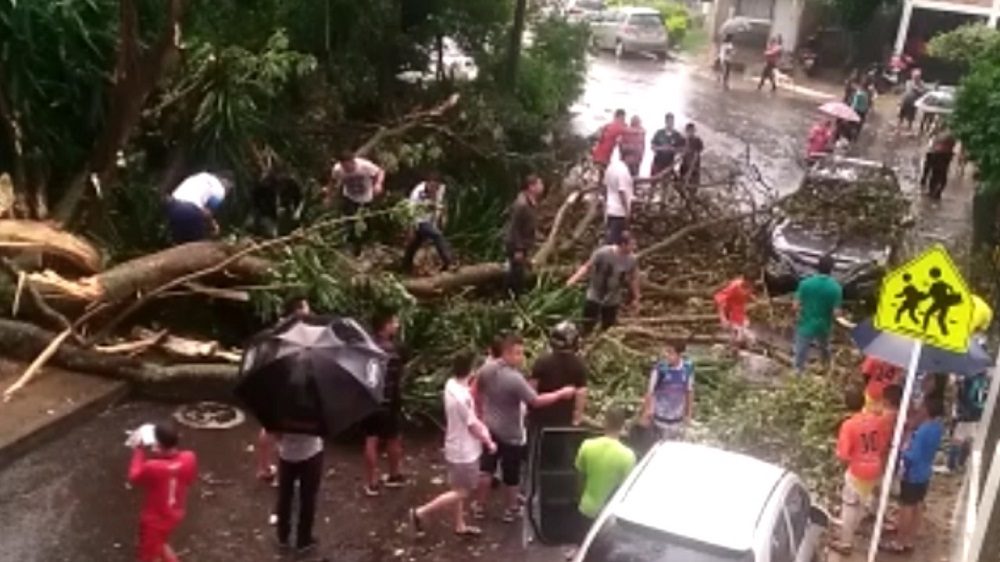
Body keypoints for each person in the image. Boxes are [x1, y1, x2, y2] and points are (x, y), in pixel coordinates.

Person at [472, 334, 577, 522]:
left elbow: (477, 390)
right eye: (518, 353)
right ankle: (511, 509)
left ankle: (479, 506)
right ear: (507, 354)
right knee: (511, 474)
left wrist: (481, 413)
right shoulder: (514, 378)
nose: (522, 357)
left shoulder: (486, 369)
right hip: (511, 433)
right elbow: (535, 401)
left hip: (490, 428)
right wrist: (561, 393)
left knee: (486, 469)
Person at [410, 352, 497, 538]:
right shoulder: (463, 398)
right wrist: (489, 442)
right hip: (465, 452)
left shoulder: (451, 385)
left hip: (453, 445)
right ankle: (420, 512)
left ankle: (460, 525)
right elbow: (473, 425)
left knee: (457, 487)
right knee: (463, 492)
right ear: (471, 370)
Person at [257, 297, 313, 489]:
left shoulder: (278, 328)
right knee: (284, 434)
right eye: (306, 307)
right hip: (287, 386)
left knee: (269, 426)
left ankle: (264, 467)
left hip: (272, 383)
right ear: (297, 311)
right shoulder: (295, 333)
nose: (310, 311)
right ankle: (281, 477)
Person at [881, 399, 945, 554]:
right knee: (917, 505)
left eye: (923, 406)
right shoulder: (937, 427)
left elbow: (913, 455)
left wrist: (902, 450)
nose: (920, 409)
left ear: (927, 410)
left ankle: (899, 541)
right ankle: (909, 538)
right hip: (925, 472)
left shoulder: (923, 430)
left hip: (913, 472)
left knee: (906, 507)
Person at [127, 421, 197, 562]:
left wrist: (138, 450)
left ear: (158, 445)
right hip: (175, 513)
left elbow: (134, 476)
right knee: (160, 543)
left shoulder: (153, 467)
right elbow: (189, 480)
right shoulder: (189, 457)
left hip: (155, 520)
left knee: (147, 556)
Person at [570, 408, 636, 554]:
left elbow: (580, 477)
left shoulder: (587, 445)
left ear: (605, 422)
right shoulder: (628, 455)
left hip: (586, 507)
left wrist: (578, 497)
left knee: (583, 547)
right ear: (623, 425)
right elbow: (625, 490)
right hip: (608, 515)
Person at [830, 387, 887, 555]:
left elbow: (843, 454)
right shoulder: (878, 420)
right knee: (863, 500)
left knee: (849, 505)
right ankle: (860, 524)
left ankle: (846, 542)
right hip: (875, 467)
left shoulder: (849, 425)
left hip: (858, 471)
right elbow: (883, 445)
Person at [362, 309, 407, 497]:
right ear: (385, 326)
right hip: (390, 401)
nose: (396, 325)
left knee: (371, 439)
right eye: (394, 322)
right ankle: (394, 475)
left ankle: (372, 482)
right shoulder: (393, 351)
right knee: (393, 437)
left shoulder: (366, 348)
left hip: (371, 400)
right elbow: (398, 378)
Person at [566, 231, 640, 335]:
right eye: (632, 244)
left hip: (613, 297)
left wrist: (636, 297)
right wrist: (573, 279)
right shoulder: (603, 253)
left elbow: (634, 278)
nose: (634, 247)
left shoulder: (632, 259)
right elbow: (587, 266)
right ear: (623, 244)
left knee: (608, 327)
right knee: (587, 323)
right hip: (595, 293)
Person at [529, 321, 588, 429]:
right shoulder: (579, 364)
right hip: (564, 422)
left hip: (540, 420)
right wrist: (577, 419)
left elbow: (531, 390)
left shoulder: (542, 361)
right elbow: (581, 394)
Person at [325, 150, 386, 254]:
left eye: (348, 165)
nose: (346, 168)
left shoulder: (364, 166)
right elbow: (332, 181)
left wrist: (378, 184)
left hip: (366, 197)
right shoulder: (338, 169)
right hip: (350, 197)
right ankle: (353, 246)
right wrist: (329, 196)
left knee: (366, 223)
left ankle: (365, 243)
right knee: (351, 222)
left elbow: (380, 172)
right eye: (344, 166)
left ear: (352, 161)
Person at [273, 430, 323, 554]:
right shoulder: (316, 410)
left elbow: (276, 433)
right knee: (308, 498)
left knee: (284, 496)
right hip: (311, 453)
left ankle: (283, 536)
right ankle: (304, 540)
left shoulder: (279, 411)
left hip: (286, 455)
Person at [793, 255, 843, 373]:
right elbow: (836, 313)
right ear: (832, 269)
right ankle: (826, 369)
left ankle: (798, 374)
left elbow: (795, 306)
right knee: (825, 348)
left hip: (806, 324)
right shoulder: (836, 288)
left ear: (817, 267)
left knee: (800, 352)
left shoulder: (805, 283)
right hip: (824, 326)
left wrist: (800, 314)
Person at [640, 340, 694, 440]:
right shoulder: (660, 369)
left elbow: (689, 391)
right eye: (666, 352)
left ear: (679, 354)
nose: (667, 355)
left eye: (671, 352)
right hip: (659, 419)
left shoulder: (687, 368)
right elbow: (650, 392)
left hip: (677, 420)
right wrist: (646, 413)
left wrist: (688, 414)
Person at [402, 172, 453, 273]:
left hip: (431, 220)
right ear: (428, 183)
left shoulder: (441, 189)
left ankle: (405, 265)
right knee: (437, 235)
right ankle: (449, 262)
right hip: (419, 220)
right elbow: (410, 211)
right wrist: (410, 227)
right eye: (433, 186)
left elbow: (442, 204)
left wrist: (442, 217)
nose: (435, 189)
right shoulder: (417, 192)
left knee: (415, 243)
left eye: (437, 187)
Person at [166, 171, 233, 244]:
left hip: (173, 206)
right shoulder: (219, 189)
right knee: (197, 244)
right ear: (226, 182)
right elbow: (207, 213)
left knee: (179, 242)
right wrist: (213, 226)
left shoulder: (201, 176)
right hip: (190, 210)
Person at [504, 175, 544, 297]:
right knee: (515, 273)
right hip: (516, 244)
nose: (542, 187)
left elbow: (528, 224)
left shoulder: (531, 202)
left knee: (520, 272)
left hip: (524, 243)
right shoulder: (522, 204)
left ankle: (515, 295)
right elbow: (514, 227)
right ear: (531, 187)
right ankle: (510, 297)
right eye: (539, 184)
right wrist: (518, 249)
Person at [949, 371, 988, 472]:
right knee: (969, 439)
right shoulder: (984, 381)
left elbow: (963, 397)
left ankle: (952, 465)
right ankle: (962, 463)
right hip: (978, 414)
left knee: (957, 440)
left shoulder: (968, 379)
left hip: (966, 414)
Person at [251, 166, 303, 237]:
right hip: (267, 215)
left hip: (282, 215)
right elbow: (255, 202)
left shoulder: (291, 185)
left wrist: (296, 213)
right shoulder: (263, 187)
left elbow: (298, 199)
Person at [602, 151, 638, 244]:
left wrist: (605, 204)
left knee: (612, 236)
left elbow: (605, 187)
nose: (636, 160)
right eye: (635, 157)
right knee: (615, 239)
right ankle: (607, 256)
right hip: (619, 211)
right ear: (628, 156)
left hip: (610, 208)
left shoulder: (611, 167)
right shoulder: (623, 171)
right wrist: (627, 211)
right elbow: (621, 191)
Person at [714, 274, 754, 348]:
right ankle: (733, 350)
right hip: (731, 312)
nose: (748, 285)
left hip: (741, 312)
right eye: (746, 282)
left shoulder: (750, 286)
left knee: (750, 338)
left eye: (750, 284)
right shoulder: (734, 286)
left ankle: (740, 348)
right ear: (743, 279)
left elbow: (747, 295)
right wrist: (723, 318)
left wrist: (753, 298)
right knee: (737, 337)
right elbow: (721, 298)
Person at [921, 133, 956, 200]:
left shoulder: (939, 135)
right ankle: (936, 192)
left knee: (936, 174)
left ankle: (934, 192)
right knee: (941, 174)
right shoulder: (950, 136)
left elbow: (933, 146)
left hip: (937, 154)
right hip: (943, 155)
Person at [592, 109, 628, 174]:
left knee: (599, 176)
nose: (624, 119)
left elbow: (597, 137)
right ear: (621, 117)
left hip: (597, 154)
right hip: (605, 157)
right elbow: (621, 143)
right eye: (623, 117)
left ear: (615, 116)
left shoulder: (607, 125)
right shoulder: (622, 127)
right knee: (604, 176)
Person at [650, 113, 685, 177]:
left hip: (670, 163)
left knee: (669, 181)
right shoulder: (659, 133)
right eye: (668, 121)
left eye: (671, 121)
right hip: (658, 162)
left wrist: (673, 149)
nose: (670, 123)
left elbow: (682, 149)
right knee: (655, 181)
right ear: (665, 121)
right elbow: (652, 147)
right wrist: (662, 148)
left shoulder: (677, 135)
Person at [678, 123, 704, 187]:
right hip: (684, 166)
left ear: (694, 131)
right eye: (689, 130)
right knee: (681, 186)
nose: (690, 132)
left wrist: (689, 172)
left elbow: (696, 156)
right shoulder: (683, 140)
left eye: (692, 130)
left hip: (694, 168)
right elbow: (679, 153)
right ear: (686, 131)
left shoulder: (697, 141)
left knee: (693, 187)